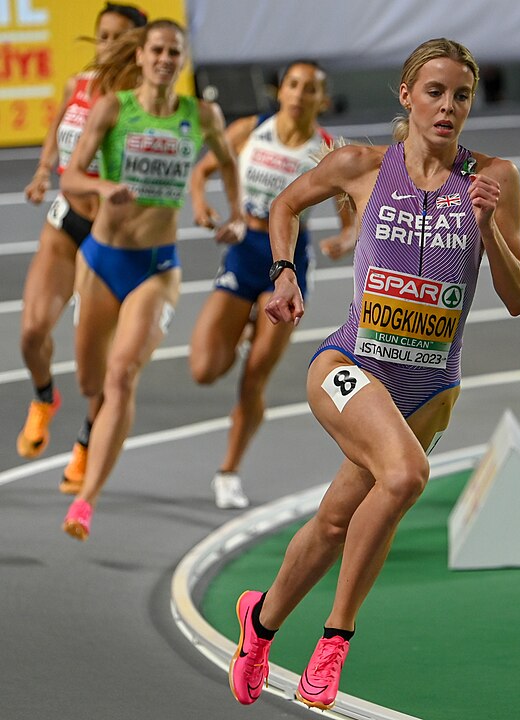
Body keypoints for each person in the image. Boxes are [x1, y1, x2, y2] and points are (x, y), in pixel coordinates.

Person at [227, 38, 520, 710]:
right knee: (405, 476)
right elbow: (282, 208)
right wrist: (283, 274)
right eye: (434, 92)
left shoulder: (493, 180)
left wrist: (489, 229)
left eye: (460, 95)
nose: (448, 107)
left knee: (338, 520)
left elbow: (519, 297)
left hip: (429, 389)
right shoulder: (361, 165)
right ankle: (335, 642)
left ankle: (261, 622)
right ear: (406, 95)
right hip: (348, 365)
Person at [58, 19, 243, 540]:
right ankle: (87, 438)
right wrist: (103, 187)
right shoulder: (114, 108)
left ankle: (86, 502)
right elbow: (70, 176)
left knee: (121, 377)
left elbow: (228, 164)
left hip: (157, 266)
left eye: (174, 52)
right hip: (99, 260)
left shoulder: (200, 113)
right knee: (92, 383)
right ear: (140, 56)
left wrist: (234, 213)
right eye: (157, 50)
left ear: (183, 60)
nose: (165, 59)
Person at [187, 60, 355, 510]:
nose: (300, 94)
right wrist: (204, 209)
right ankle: (244, 326)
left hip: (289, 265)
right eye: (294, 85)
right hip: (244, 252)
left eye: (311, 89)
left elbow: (349, 216)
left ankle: (228, 471)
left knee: (254, 377)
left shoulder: (326, 150)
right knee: (204, 369)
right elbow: (200, 172)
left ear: (322, 99)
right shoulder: (250, 129)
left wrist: (345, 239)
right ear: (280, 90)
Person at [16, 3, 147, 494]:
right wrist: (42, 170)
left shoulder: (138, 103)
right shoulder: (80, 83)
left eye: (118, 37)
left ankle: (87, 442)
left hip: (108, 237)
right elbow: (58, 125)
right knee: (31, 334)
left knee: (94, 364)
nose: (107, 44)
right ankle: (44, 398)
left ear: (137, 46)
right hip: (65, 220)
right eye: (103, 35)